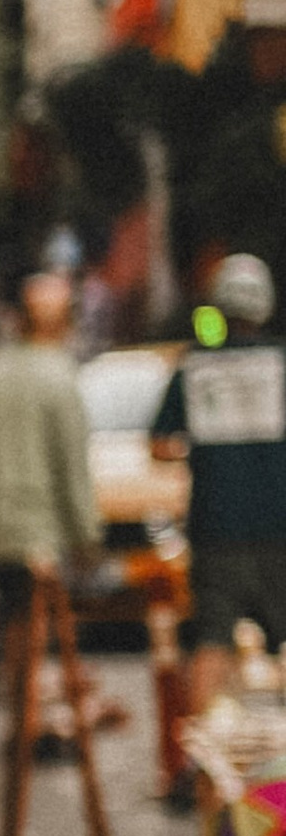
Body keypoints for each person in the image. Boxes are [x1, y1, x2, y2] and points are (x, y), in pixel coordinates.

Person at [154, 253, 286, 652]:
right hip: (279, 525)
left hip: (215, 527)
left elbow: (160, 445)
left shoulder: (193, 366)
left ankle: (203, 716)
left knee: (212, 638)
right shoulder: (280, 362)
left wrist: (198, 453)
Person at [0, 266, 98, 587]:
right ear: (63, 322)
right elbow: (72, 468)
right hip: (46, 537)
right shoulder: (61, 377)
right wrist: (86, 537)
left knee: (11, 625)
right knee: (42, 628)